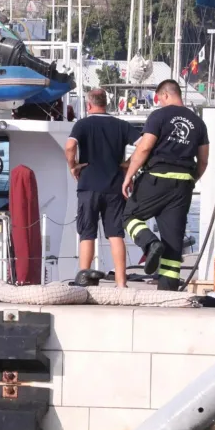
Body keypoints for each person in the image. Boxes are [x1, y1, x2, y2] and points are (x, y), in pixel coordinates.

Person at [122, 79, 210, 290]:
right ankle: (167, 293)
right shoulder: (198, 123)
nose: (159, 103)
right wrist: (191, 181)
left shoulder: (159, 116)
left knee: (129, 216)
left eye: (159, 99)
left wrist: (129, 176)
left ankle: (150, 243)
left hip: (157, 178)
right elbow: (203, 161)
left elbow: (144, 148)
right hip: (183, 185)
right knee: (173, 242)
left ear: (165, 95)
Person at [65, 88, 142, 287]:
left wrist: (73, 165)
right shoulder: (121, 125)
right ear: (106, 103)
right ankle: (121, 282)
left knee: (87, 233)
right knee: (116, 234)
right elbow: (143, 145)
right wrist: (128, 164)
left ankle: (84, 280)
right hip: (115, 186)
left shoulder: (82, 125)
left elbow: (70, 147)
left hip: (88, 185)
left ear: (89, 105)